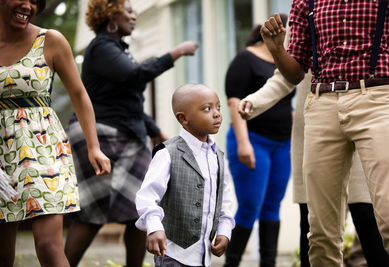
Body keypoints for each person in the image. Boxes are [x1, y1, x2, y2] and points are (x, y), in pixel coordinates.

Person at [260, 0, 389, 265]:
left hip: (377, 96)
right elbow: (295, 72)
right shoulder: (306, 2)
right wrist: (277, 49)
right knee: (321, 232)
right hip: (322, 101)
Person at [63, 1, 198, 266]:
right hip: (102, 138)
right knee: (93, 212)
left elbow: (128, 104)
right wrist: (176, 52)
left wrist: (157, 132)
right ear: (110, 15)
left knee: (142, 209)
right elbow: (137, 76)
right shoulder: (102, 47)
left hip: (127, 137)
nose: (133, 15)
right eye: (127, 11)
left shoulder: (117, 50)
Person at [239, 68, 389, 266]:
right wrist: (255, 100)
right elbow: (287, 73)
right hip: (314, 127)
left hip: (366, 124)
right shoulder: (297, 35)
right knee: (314, 228)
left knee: (370, 221)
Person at [0, 0, 111, 266]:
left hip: (42, 148)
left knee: (49, 246)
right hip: (1, 157)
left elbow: (79, 94)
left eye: (35, 1)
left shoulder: (51, 41)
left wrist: (94, 146)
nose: (28, 6)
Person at [135, 83, 235, 267]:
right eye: (207, 108)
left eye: (218, 107)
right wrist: (154, 227)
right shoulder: (167, 153)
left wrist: (224, 229)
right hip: (173, 253)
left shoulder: (218, 156)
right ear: (183, 118)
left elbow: (225, 199)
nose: (217, 113)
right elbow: (147, 196)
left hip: (204, 256)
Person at [223, 17, 295, 267]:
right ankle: (230, 263)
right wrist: (243, 143)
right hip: (253, 141)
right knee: (249, 206)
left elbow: (286, 103)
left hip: (283, 144)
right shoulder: (245, 59)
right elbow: (234, 102)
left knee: (272, 206)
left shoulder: (287, 64)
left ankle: (269, 264)